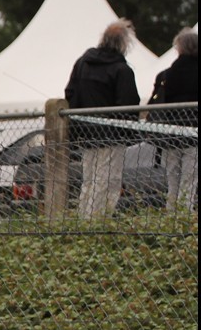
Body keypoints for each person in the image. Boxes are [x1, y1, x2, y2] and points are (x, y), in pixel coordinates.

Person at [64, 18, 141, 219]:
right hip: (112, 134)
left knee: (89, 179)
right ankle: (99, 221)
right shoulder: (122, 70)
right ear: (124, 43)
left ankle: (85, 218)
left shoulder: (83, 63)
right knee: (109, 180)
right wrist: (129, 131)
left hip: (85, 131)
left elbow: (70, 92)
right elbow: (129, 103)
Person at [148, 26, 198, 212]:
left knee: (173, 180)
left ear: (179, 48)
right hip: (194, 134)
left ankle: (171, 215)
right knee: (189, 180)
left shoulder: (165, 75)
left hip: (170, 134)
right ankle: (185, 216)